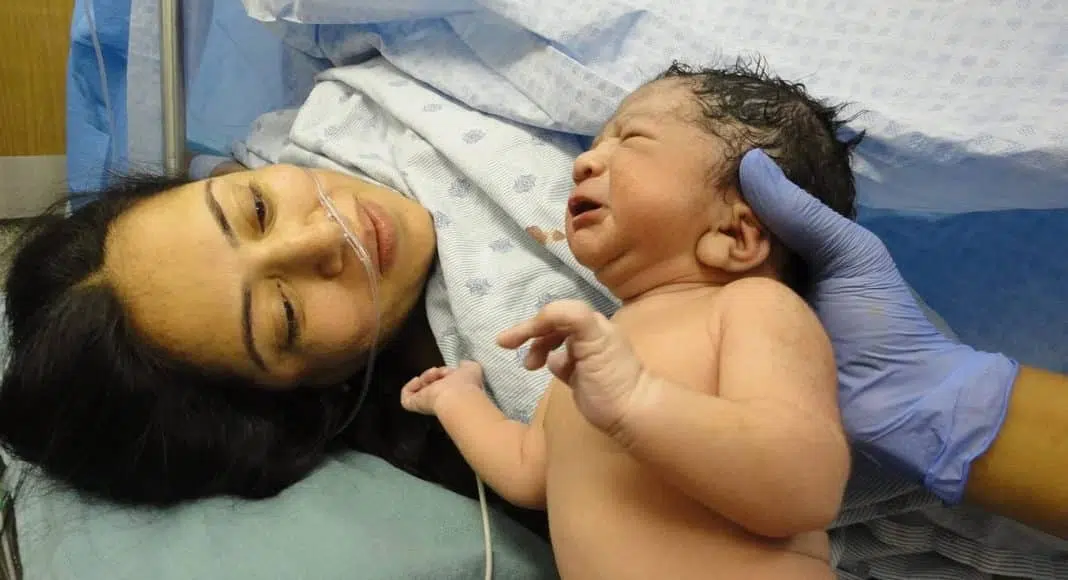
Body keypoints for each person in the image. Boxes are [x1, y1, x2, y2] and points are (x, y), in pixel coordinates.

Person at [0, 57, 1064, 545]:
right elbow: (539, 468)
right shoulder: (522, 373)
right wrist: (465, 399)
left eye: (253, 205)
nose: (327, 235)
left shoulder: (380, 93)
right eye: (281, 318)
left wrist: (944, 409)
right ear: (298, 400)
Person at [399, 67, 853, 578]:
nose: (583, 162)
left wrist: (639, 401)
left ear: (736, 235)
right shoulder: (597, 350)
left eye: (632, 139)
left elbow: (801, 489)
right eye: (594, 146)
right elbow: (529, 469)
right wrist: (458, 399)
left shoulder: (755, 307)